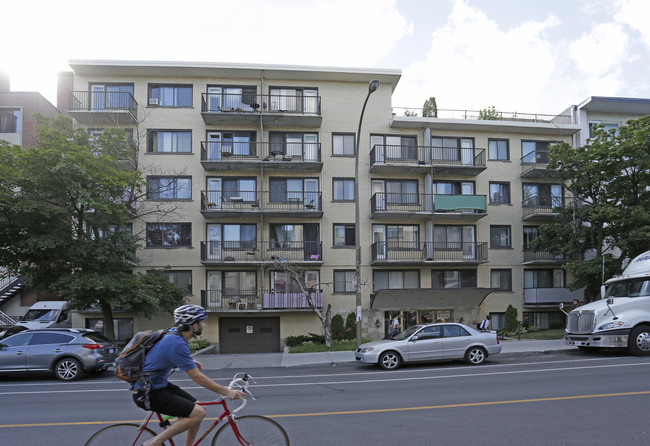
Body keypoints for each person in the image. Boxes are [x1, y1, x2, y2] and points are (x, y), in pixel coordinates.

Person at [132, 304, 246, 446]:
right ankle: (153, 443)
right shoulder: (176, 343)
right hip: (148, 392)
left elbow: (161, 356)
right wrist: (226, 391)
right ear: (194, 325)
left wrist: (189, 361)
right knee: (197, 413)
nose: (204, 325)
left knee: (200, 408)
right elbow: (196, 376)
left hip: (157, 385)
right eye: (202, 322)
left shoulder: (173, 335)